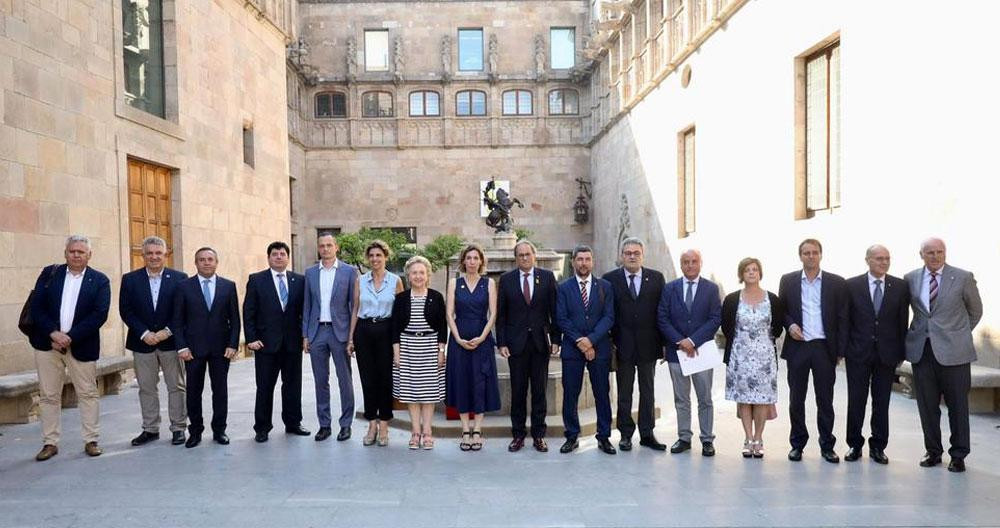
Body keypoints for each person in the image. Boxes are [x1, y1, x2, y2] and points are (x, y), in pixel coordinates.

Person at [28, 235, 111, 461]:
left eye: (81, 252)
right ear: (65, 253)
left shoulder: (100, 280)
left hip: (81, 345)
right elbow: (37, 307)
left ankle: (91, 440)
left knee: (88, 393)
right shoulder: (50, 274)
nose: (76, 255)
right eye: (72, 251)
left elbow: (99, 314)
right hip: (47, 344)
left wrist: (70, 337)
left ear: (89, 255)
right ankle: (50, 442)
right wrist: (53, 333)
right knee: (48, 395)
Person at [904, 238, 982, 473]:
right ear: (921, 255)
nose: (936, 256)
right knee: (927, 406)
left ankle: (958, 454)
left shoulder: (962, 277)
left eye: (940, 252)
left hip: (955, 353)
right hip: (922, 352)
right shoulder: (910, 279)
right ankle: (933, 451)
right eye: (930, 252)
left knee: (958, 406)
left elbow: (975, 311)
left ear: (945, 253)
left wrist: (957, 334)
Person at [778, 238, 847, 463]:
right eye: (806, 253)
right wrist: (789, 325)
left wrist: (840, 350)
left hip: (823, 348)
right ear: (800, 256)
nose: (810, 256)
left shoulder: (836, 282)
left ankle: (827, 445)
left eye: (814, 252)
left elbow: (842, 317)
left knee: (825, 400)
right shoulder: (788, 281)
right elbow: (782, 310)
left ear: (821, 255)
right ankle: (797, 444)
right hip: (798, 346)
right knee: (796, 399)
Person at [843, 245, 910, 465]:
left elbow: (902, 321)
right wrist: (844, 350)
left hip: (887, 354)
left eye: (887, 258)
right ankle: (854, 444)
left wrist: (901, 351)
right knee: (857, 400)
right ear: (867, 260)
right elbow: (845, 320)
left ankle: (878, 446)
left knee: (882, 402)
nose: (884, 262)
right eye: (879, 258)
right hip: (858, 353)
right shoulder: (851, 285)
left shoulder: (899, 286)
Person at [119, 236, 188, 447]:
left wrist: (167, 331)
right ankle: (150, 429)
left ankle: (178, 428)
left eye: (158, 253)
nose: (154, 257)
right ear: (143, 255)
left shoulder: (180, 278)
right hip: (142, 343)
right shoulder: (130, 279)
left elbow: (183, 310)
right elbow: (126, 310)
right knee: (146, 388)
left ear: (166, 254)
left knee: (176, 386)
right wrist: (144, 333)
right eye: (149, 253)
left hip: (170, 342)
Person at [172, 247, 240, 448]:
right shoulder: (184, 287)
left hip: (221, 349)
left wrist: (233, 344)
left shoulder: (228, 286)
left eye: (210, 259)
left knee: (220, 391)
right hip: (193, 350)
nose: (206, 262)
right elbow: (178, 320)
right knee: (194, 392)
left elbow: (234, 320)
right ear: (196, 263)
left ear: (216, 262)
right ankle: (195, 432)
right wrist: (182, 347)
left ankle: (220, 430)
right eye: (202, 259)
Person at [496, 239, 561, 452]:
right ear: (516, 258)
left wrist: (556, 340)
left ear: (534, 256)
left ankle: (539, 435)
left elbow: (555, 311)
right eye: (520, 255)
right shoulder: (506, 280)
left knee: (540, 392)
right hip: (516, 345)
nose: (524, 258)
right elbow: (501, 314)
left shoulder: (547, 277)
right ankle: (518, 435)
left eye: (527, 254)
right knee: (518, 392)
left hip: (541, 344)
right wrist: (502, 342)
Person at [604, 238, 666, 452]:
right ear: (622, 255)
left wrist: (665, 343)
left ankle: (647, 433)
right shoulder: (609, 280)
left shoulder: (656, 278)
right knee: (624, 392)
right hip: (623, 346)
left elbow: (662, 313)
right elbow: (607, 313)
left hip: (649, 344)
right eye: (628, 253)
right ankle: (625, 434)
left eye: (636, 253)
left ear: (642, 255)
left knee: (648, 391)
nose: (632, 256)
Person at [656, 249, 721, 456]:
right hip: (677, 353)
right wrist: (680, 341)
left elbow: (715, 318)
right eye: (686, 262)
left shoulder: (711, 289)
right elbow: (662, 317)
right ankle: (684, 437)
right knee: (681, 398)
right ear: (681, 264)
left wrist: (693, 341)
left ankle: (707, 439)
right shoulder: (670, 288)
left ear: (700, 263)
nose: (690, 265)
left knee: (705, 398)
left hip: (702, 352)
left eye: (694, 261)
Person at [244, 241, 310, 443]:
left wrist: (305, 336)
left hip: (292, 344)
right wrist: (251, 338)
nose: (279, 257)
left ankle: (293, 423)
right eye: (275, 254)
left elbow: (304, 312)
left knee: (292, 385)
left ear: (288, 257)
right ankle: (262, 428)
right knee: (264, 387)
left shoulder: (299, 281)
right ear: (269, 257)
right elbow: (249, 311)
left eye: (282, 254)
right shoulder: (256, 280)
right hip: (265, 345)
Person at [556, 245, 616, 455]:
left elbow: (609, 317)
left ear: (593, 261)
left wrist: (590, 340)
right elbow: (561, 318)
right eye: (579, 259)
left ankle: (604, 436)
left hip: (599, 347)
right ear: (573, 262)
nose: (583, 263)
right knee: (571, 394)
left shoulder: (605, 287)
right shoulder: (563, 288)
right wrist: (580, 342)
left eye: (587, 259)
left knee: (602, 393)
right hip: (572, 349)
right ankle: (572, 436)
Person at [722, 258, 783, 458]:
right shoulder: (732, 299)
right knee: (745, 399)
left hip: (765, 357)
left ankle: (759, 437)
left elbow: (779, 326)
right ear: (741, 274)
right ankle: (748, 438)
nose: (751, 273)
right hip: (740, 356)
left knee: (762, 400)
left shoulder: (771, 298)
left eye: (755, 269)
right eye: (747, 270)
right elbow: (726, 327)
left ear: (760, 273)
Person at [445, 244, 501, 451]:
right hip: (459, 339)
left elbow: (493, 314)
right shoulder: (454, 283)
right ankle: (465, 429)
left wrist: (483, 337)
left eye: (475, 258)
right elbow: (449, 313)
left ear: (481, 261)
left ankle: (477, 429)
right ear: (463, 261)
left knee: (479, 382)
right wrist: (457, 338)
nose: (471, 262)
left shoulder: (489, 284)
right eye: (468, 258)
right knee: (461, 381)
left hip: (481, 339)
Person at [302, 233, 358, 442]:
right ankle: (324, 425)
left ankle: (345, 424)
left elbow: (354, 306)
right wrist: (305, 334)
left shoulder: (349, 272)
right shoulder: (310, 273)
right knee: (320, 381)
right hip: (317, 333)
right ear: (318, 249)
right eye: (321, 246)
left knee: (344, 380)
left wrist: (352, 336)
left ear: (337, 247)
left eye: (329, 245)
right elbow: (307, 305)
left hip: (340, 332)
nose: (325, 249)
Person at [348, 240, 403, 446]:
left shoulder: (396, 280)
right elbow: (355, 309)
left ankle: (385, 426)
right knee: (368, 379)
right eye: (371, 256)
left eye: (378, 255)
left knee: (385, 379)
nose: (374, 259)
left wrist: (398, 342)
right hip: (364, 330)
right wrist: (351, 338)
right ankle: (372, 423)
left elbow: (399, 314)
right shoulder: (360, 281)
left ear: (385, 257)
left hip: (387, 330)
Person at [392, 255, 447, 450]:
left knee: (429, 394)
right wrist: (396, 353)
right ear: (408, 275)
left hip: (430, 346)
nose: (418, 276)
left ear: (427, 275)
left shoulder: (436, 297)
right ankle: (415, 433)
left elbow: (442, 327)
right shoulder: (400, 299)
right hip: (407, 347)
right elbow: (395, 328)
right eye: (414, 273)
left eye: (421, 272)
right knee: (410, 394)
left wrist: (441, 351)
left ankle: (428, 433)